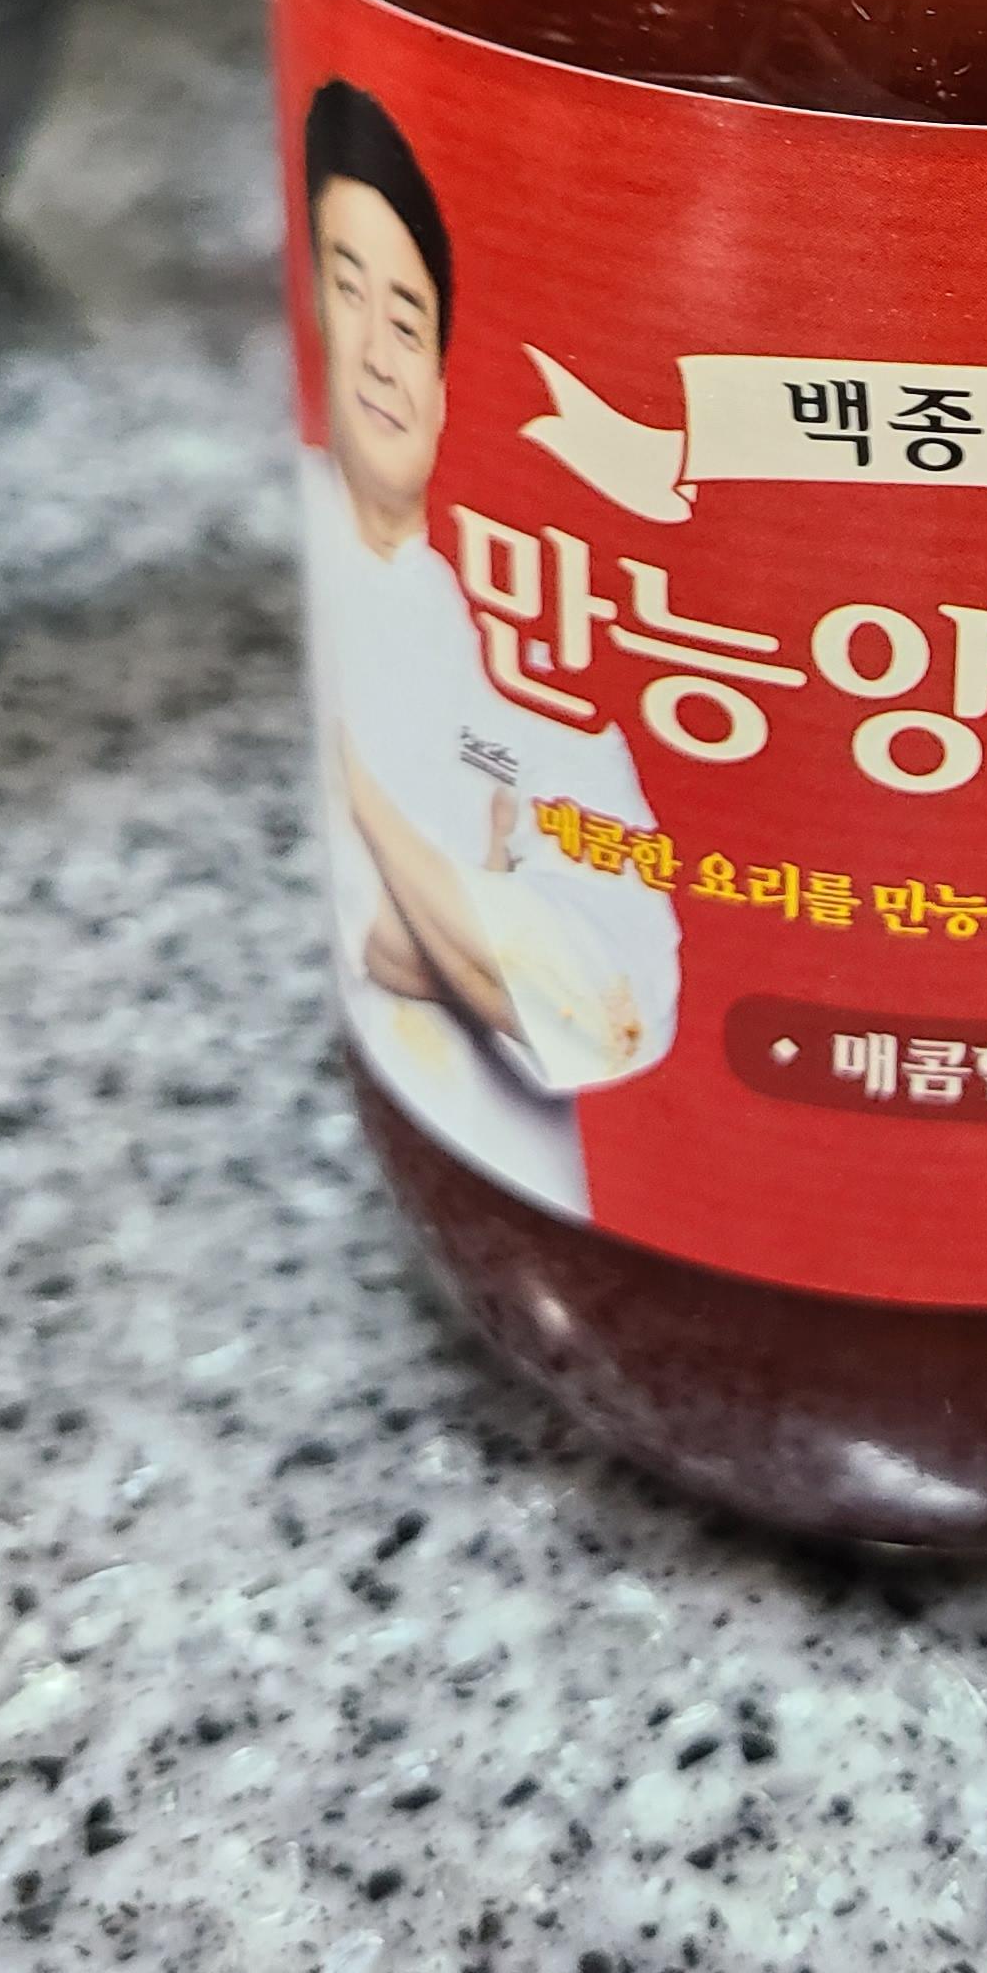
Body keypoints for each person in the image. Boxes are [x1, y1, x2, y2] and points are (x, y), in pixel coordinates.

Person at [297, 77, 678, 1221]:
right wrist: (481, 906)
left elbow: (605, 1013)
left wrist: (364, 799)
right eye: (346, 291)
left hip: (535, 1178)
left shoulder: (537, 660)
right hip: (463, 1155)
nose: (377, 354)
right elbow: (389, 944)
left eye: (408, 321)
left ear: (444, 374)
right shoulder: (315, 527)